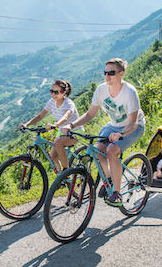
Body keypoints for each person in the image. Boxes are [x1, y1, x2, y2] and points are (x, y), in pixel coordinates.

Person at [64, 58, 146, 207]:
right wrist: (72, 125)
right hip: (113, 126)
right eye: (105, 72)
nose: (107, 76)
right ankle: (108, 179)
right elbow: (90, 115)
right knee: (96, 150)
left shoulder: (129, 92)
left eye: (111, 73)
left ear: (121, 73)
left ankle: (117, 193)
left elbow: (133, 123)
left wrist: (120, 135)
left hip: (133, 127)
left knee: (111, 150)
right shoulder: (101, 90)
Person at [19, 79, 82, 172]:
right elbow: (41, 115)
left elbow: (65, 117)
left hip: (75, 131)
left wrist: (55, 125)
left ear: (64, 92)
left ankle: (67, 171)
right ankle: (62, 178)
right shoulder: (52, 102)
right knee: (53, 157)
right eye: (51, 91)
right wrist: (27, 124)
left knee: (58, 143)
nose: (53, 94)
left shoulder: (69, 104)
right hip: (62, 132)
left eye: (56, 92)